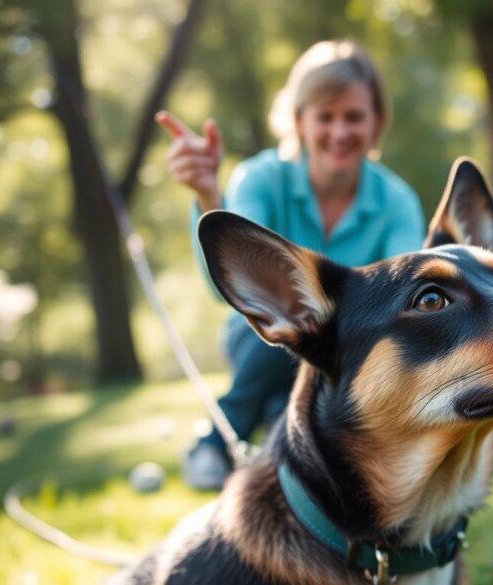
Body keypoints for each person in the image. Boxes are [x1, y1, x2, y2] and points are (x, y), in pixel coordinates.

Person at [157, 40, 425, 490]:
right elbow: (233, 287)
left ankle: (268, 428)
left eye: (354, 116)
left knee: (296, 432)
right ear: (299, 120)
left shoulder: (397, 202)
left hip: (349, 355)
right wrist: (208, 196)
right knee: (286, 312)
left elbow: (401, 301)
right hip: (264, 341)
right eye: (325, 116)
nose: (339, 131)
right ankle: (219, 439)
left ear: (375, 122)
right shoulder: (260, 178)